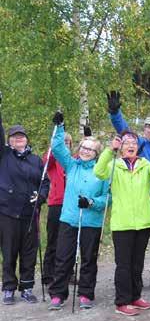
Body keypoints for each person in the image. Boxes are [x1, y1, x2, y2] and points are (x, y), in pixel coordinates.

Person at [94, 131, 150, 316]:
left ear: (138, 147)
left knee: (137, 263)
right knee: (124, 264)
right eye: (126, 142)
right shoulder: (114, 165)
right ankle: (122, 301)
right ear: (121, 147)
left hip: (143, 222)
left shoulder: (145, 165)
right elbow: (99, 172)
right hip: (122, 223)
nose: (130, 145)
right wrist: (110, 150)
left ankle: (135, 296)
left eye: (133, 142)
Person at [47, 112, 108, 310]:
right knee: (63, 257)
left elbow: (108, 198)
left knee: (88, 258)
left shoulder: (102, 171)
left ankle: (86, 293)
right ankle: (58, 294)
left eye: (90, 149)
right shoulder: (72, 165)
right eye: (83, 147)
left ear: (97, 153)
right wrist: (60, 127)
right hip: (69, 219)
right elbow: (57, 148)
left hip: (91, 221)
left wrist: (91, 202)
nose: (86, 151)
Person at [106, 90, 150, 289]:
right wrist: (115, 112)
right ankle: (131, 283)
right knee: (140, 241)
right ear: (145, 129)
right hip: (141, 196)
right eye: (149, 127)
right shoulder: (138, 143)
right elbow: (122, 128)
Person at [0, 109, 49, 305]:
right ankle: (9, 288)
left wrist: (42, 196)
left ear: (26, 140)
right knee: (9, 251)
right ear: (9, 140)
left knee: (29, 252)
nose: (18, 139)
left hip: (30, 213)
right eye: (14, 137)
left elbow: (45, 181)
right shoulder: (3, 155)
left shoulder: (36, 160)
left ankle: (27, 288)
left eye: (21, 136)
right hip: (8, 212)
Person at [42, 130, 72, 286]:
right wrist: (55, 143)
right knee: (53, 241)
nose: (65, 145)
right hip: (56, 204)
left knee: (69, 242)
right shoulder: (53, 160)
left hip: (71, 205)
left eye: (67, 143)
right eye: (63, 142)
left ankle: (67, 273)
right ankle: (48, 275)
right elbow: (47, 161)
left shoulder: (72, 161)